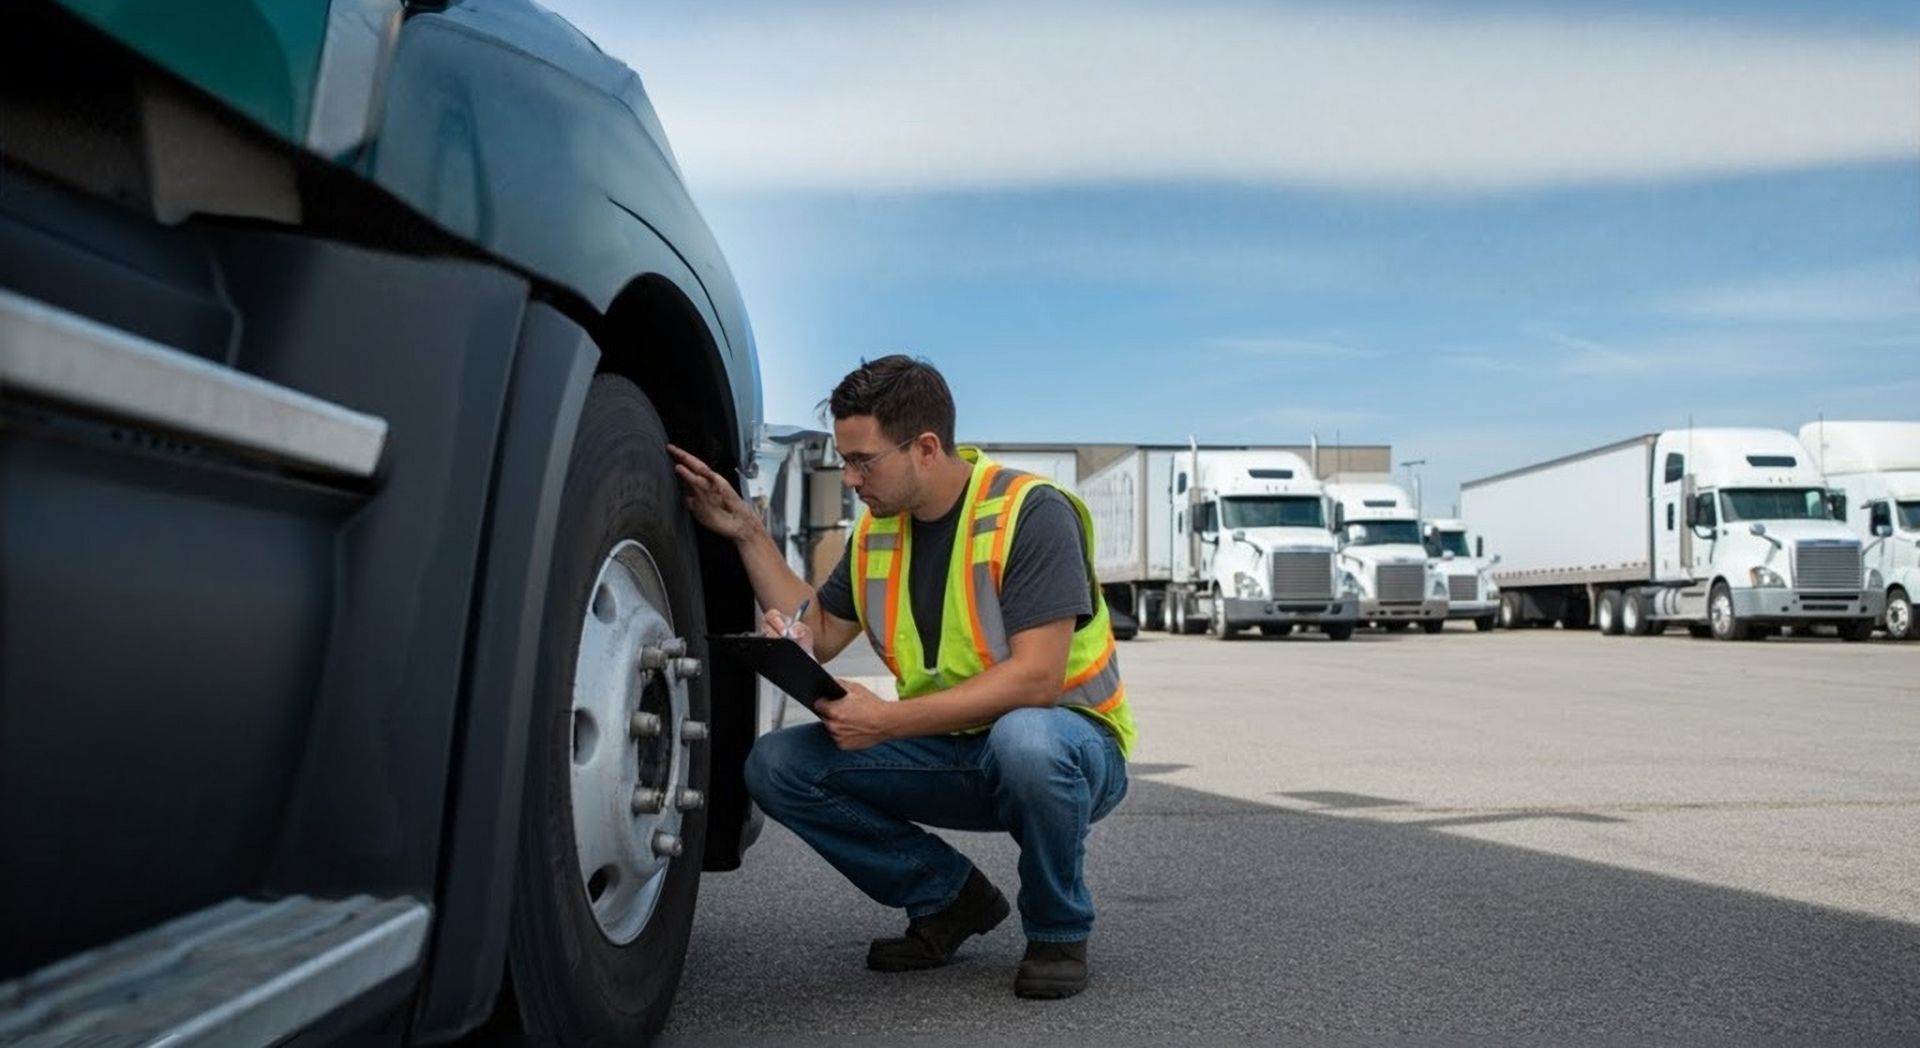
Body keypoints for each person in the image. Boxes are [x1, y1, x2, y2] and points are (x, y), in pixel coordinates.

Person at [667, 354, 1134, 999]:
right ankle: (948, 899)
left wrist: (885, 720)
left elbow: (1037, 681)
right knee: (777, 765)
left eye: (864, 461)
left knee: (1027, 739)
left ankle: (1057, 929)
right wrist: (747, 532)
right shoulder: (877, 534)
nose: (852, 479)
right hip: (952, 747)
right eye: (845, 462)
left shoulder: (1028, 513)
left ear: (925, 447)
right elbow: (822, 632)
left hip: (1068, 753)